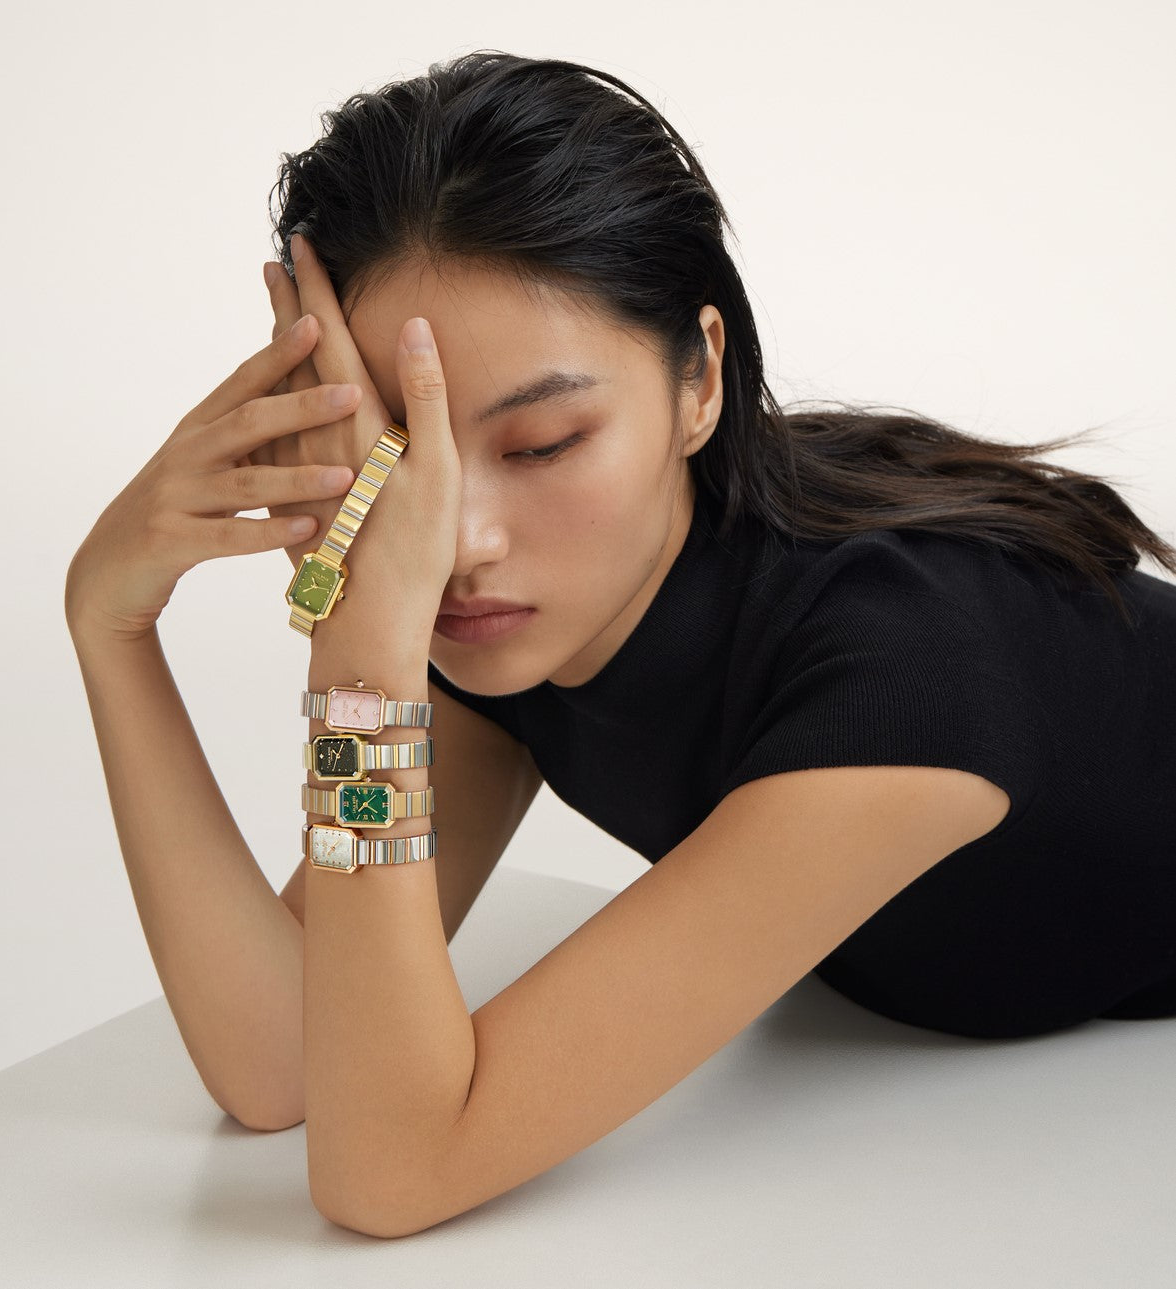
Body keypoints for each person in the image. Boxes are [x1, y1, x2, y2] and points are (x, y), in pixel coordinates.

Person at [66, 51, 1176, 1233]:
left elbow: (389, 1170)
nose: (457, 539)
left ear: (698, 379)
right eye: (396, 454)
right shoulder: (531, 619)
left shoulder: (901, 682)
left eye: (542, 442)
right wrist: (111, 627)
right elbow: (279, 1058)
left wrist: (359, 663)